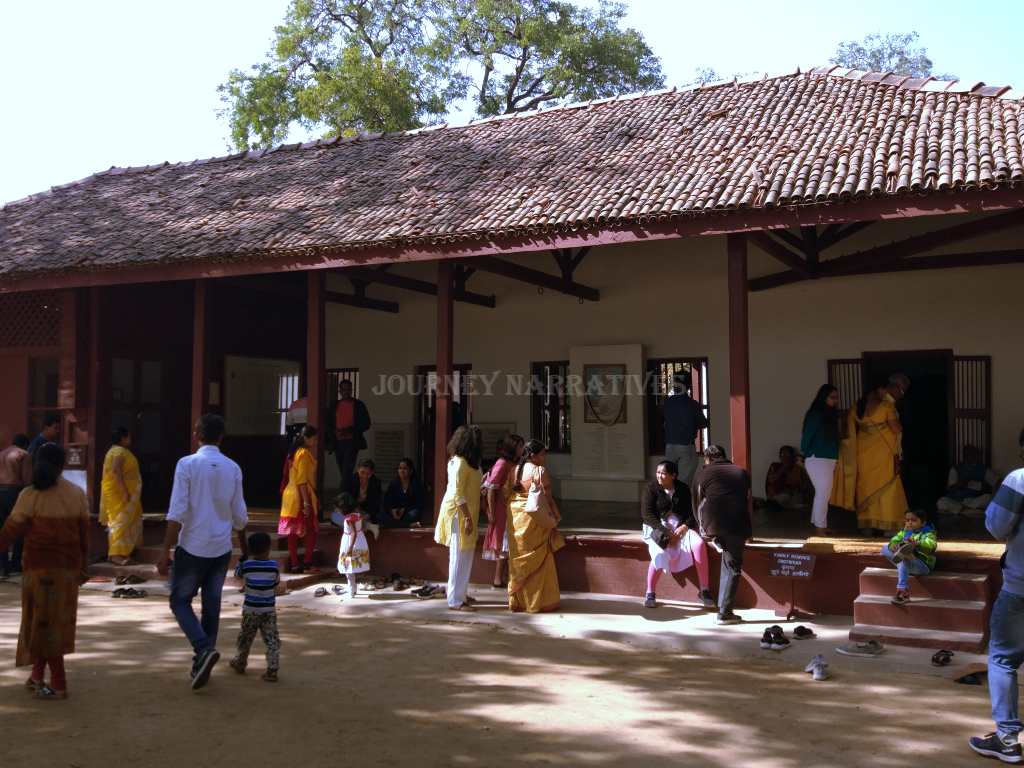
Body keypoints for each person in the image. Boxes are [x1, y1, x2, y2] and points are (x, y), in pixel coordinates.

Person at [157, 413, 249, 692]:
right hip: (221, 548)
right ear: (221, 437)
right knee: (212, 604)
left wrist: (165, 551)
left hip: (192, 546)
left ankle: (202, 649)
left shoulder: (186, 464)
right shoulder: (232, 467)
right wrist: (244, 552)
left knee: (180, 601)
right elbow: (240, 516)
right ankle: (203, 658)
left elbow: (177, 511)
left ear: (197, 434)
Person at [0, 443, 89, 700]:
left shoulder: (30, 494)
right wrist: (83, 569)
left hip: (37, 571)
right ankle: (37, 676)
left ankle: (58, 684)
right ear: (62, 465)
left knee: (41, 624)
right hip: (68, 571)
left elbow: (9, 532)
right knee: (55, 623)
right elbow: (85, 537)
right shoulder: (76, 494)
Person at [969, 429, 1024, 764]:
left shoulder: (1019, 480)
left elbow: (996, 526)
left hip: (1020, 588)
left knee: (1003, 659)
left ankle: (1006, 740)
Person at [832, 373, 911, 535]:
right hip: (883, 456)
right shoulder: (887, 407)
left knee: (866, 488)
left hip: (862, 455)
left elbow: (848, 431)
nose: (901, 395)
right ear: (891, 388)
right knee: (888, 488)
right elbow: (896, 429)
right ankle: (888, 526)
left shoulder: (856, 407)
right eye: (902, 391)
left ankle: (866, 524)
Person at [641, 460, 715, 610]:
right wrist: (665, 531)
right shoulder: (651, 488)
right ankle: (650, 592)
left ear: (673, 475)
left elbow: (692, 513)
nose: (659, 476)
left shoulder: (683, 489)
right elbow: (647, 515)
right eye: (658, 472)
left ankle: (704, 590)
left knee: (698, 544)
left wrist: (684, 526)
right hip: (658, 529)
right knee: (660, 552)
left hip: (681, 527)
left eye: (663, 473)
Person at [693, 445, 752, 625]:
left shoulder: (703, 473)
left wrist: (703, 529)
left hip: (714, 525)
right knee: (732, 566)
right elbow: (747, 498)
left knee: (728, 562)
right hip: (737, 525)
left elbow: (696, 503)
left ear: (707, 459)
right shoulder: (741, 473)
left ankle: (723, 611)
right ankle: (725, 612)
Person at [508, 439, 564, 613]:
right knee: (540, 559)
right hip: (534, 519)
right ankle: (538, 602)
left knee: (518, 556)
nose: (544, 457)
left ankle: (518, 601)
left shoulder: (514, 470)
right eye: (542, 454)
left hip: (515, 518)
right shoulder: (539, 471)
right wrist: (555, 517)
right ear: (533, 455)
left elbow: (506, 493)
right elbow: (547, 498)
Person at [434, 425, 483, 612]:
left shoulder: (471, 463)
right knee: (458, 556)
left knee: (466, 554)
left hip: (468, 512)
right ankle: (455, 600)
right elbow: (457, 493)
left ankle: (461, 593)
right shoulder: (459, 462)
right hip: (459, 514)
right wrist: (467, 518)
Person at [229, 532, 281, 682]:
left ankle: (240, 662)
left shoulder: (247, 566)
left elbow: (237, 575)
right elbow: (276, 584)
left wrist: (241, 560)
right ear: (268, 548)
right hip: (268, 611)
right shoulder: (273, 566)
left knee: (245, 637)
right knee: (272, 639)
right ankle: (272, 668)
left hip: (250, 610)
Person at [482, 434, 524, 588]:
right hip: (501, 510)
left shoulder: (513, 463)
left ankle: (503, 577)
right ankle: (498, 578)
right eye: (520, 446)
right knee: (503, 543)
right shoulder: (502, 463)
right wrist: (492, 512)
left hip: (510, 508)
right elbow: (491, 489)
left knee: (507, 544)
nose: (522, 449)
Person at [99, 426, 143, 566]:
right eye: (128, 437)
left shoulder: (117, 451)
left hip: (122, 493)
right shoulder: (118, 452)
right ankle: (115, 555)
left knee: (125, 523)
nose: (130, 439)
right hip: (119, 494)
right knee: (119, 523)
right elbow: (116, 472)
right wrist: (124, 492)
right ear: (123, 438)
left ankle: (123, 552)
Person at [278, 426, 319, 574]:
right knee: (311, 530)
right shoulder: (303, 454)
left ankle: (295, 564)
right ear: (307, 438)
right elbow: (302, 480)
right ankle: (307, 563)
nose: (315, 441)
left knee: (293, 533)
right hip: (301, 495)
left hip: (290, 495)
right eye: (314, 438)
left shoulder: (293, 453)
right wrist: (307, 502)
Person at [801, 385, 841, 536]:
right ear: (823, 397)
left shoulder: (830, 414)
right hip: (817, 457)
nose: (835, 400)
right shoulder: (816, 414)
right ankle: (820, 528)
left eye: (836, 397)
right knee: (823, 494)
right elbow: (807, 436)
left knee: (823, 493)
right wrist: (804, 451)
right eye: (832, 397)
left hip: (827, 458)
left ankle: (820, 525)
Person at [881, 510, 937, 605]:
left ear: (923, 523)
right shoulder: (905, 532)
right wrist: (894, 545)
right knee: (885, 548)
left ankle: (903, 591)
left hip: (921, 566)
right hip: (907, 562)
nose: (910, 522)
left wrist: (918, 544)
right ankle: (903, 557)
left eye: (914, 520)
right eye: (907, 520)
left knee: (903, 557)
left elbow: (930, 546)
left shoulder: (928, 533)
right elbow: (894, 540)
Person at [662, 373, 708, 489]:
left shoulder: (667, 403)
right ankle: (681, 503)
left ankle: (669, 502)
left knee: (668, 477)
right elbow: (704, 423)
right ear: (688, 386)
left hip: (669, 445)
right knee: (684, 481)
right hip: (686, 445)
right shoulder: (692, 404)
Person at [937, 444, 999, 518]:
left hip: (974, 500)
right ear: (964, 456)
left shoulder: (982, 469)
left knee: (988, 498)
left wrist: (984, 486)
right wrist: (959, 484)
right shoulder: (956, 469)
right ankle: (968, 511)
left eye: (973, 454)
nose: (970, 456)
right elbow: (950, 488)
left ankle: (962, 511)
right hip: (957, 501)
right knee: (941, 501)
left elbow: (997, 482)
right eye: (968, 454)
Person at [0, 433, 32, 577]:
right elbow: (26, 479)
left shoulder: (1, 454)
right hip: (14, 492)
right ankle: (15, 564)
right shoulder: (23, 454)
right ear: (25, 444)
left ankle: (2, 566)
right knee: (19, 528)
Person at [333, 380, 371, 493]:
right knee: (343, 471)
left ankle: (342, 496)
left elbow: (366, 423)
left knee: (347, 470)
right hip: (338, 442)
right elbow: (328, 422)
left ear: (351, 390)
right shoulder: (334, 405)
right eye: (343, 389)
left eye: (348, 389)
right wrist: (334, 432)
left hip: (352, 441)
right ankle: (350, 494)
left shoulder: (359, 405)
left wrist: (351, 429)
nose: (346, 392)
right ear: (339, 391)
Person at [336, 493, 369, 598]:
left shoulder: (348, 519)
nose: (337, 511)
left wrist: (350, 548)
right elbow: (359, 529)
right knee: (351, 567)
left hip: (350, 542)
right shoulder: (358, 514)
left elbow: (353, 533)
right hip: (359, 540)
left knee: (347, 567)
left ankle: (351, 589)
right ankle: (353, 588)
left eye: (338, 508)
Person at [381, 458, 426, 529]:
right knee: (382, 517)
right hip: (395, 514)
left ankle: (397, 525)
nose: (402, 471)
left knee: (414, 513)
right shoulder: (393, 484)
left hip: (408, 513)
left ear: (410, 471)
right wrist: (392, 511)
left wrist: (404, 510)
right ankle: (409, 525)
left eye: (405, 468)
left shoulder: (416, 485)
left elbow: (419, 504)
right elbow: (387, 501)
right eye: (400, 468)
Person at [351, 458, 383, 524]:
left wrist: (368, 515)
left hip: (368, 511)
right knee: (335, 516)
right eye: (362, 472)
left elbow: (376, 503)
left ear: (372, 473)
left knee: (381, 517)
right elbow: (347, 499)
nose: (365, 476)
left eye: (368, 474)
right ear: (358, 470)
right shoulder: (351, 480)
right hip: (352, 510)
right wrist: (356, 512)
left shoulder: (376, 482)